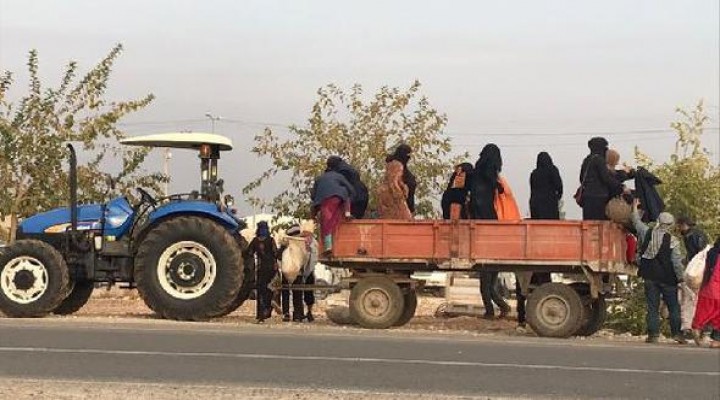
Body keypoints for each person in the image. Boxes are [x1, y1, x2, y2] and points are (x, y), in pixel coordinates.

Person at [631, 200, 686, 344]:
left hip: (649, 277)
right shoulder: (673, 241)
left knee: (652, 307)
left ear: (658, 221)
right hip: (668, 279)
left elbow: (636, 222)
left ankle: (653, 335)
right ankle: (677, 335)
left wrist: (635, 207)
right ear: (671, 225)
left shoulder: (647, 233)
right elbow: (676, 263)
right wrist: (680, 278)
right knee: (673, 307)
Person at [470, 144, 511, 319]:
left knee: (485, 283)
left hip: (479, 218)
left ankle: (492, 311)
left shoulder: (478, 168)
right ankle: (499, 308)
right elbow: (496, 188)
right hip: (489, 219)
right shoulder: (490, 171)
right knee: (489, 282)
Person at [311, 157, 356, 252]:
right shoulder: (339, 176)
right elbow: (351, 189)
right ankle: (347, 212)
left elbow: (313, 195)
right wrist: (350, 200)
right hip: (339, 199)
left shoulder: (319, 178)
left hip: (323, 202)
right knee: (345, 192)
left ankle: (328, 247)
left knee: (327, 224)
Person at [579, 137, 625, 220]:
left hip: (587, 197)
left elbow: (581, 178)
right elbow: (606, 178)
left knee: (588, 224)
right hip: (599, 197)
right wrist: (621, 187)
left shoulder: (587, 160)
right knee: (600, 225)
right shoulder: (599, 160)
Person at [246, 221, 279, 323]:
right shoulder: (271, 240)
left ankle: (260, 316)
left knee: (260, 291)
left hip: (261, 269)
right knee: (270, 290)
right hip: (271, 269)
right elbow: (276, 253)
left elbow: (249, 253)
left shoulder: (255, 241)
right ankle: (268, 311)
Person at [692, 238, 720, 348]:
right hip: (717, 289)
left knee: (704, 312)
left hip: (707, 287)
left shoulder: (711, 252)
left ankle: (697, 328)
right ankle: (716, 340)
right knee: (717, 315)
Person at [278, 226, 306, 322]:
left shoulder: (286, 244)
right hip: (298, 273)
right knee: (297, 294)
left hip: (286, 272)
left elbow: (278, 256)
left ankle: (286, 314)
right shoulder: (301, 244)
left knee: (286, 294)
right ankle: (298, 314)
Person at [377, 155, 413, 219]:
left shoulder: (401, 187)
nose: (401, 174)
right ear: (394, 172)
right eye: (400, 171)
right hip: (394, 223)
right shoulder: (386, 189)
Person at [529, 152, 563, 220]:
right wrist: (558, 196)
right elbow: (559, 186)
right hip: (550, 204)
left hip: (536, 205)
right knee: (551, 227)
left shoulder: (534, 174)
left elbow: (532, 189)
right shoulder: (552, 170)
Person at [386, 144, 417, 214]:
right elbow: (394, 185)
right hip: (399, 208)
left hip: (404, 208)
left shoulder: (402, 167)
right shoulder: (396, 166)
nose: (409, 158)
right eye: (407, 155)